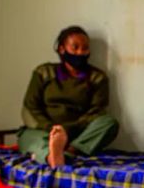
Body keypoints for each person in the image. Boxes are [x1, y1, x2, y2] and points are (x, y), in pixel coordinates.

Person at [18, 26, 119, 167]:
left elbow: (96, 111)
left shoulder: (97, 77)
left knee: (109, 123)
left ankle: (69, 152)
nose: (80, 52)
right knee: (30, 138)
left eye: (85, 48)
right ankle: (51, 155)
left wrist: (68, 129)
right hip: (44, 132)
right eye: (75, 47)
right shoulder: (43, 72)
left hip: (77, 134)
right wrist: (51, 128)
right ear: (61, 49)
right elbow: (30, 107)